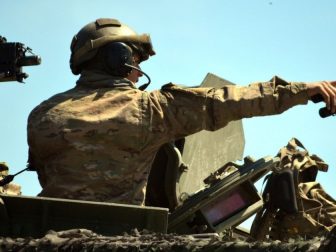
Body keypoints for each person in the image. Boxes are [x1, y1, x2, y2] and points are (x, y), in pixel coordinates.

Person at [27, 18, 336, 206]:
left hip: (46, 236)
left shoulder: (42, 115)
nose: (137, 72)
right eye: (135, 61)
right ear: (118, 58)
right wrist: (303, 90)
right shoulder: (151, 109)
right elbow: (232, 100)